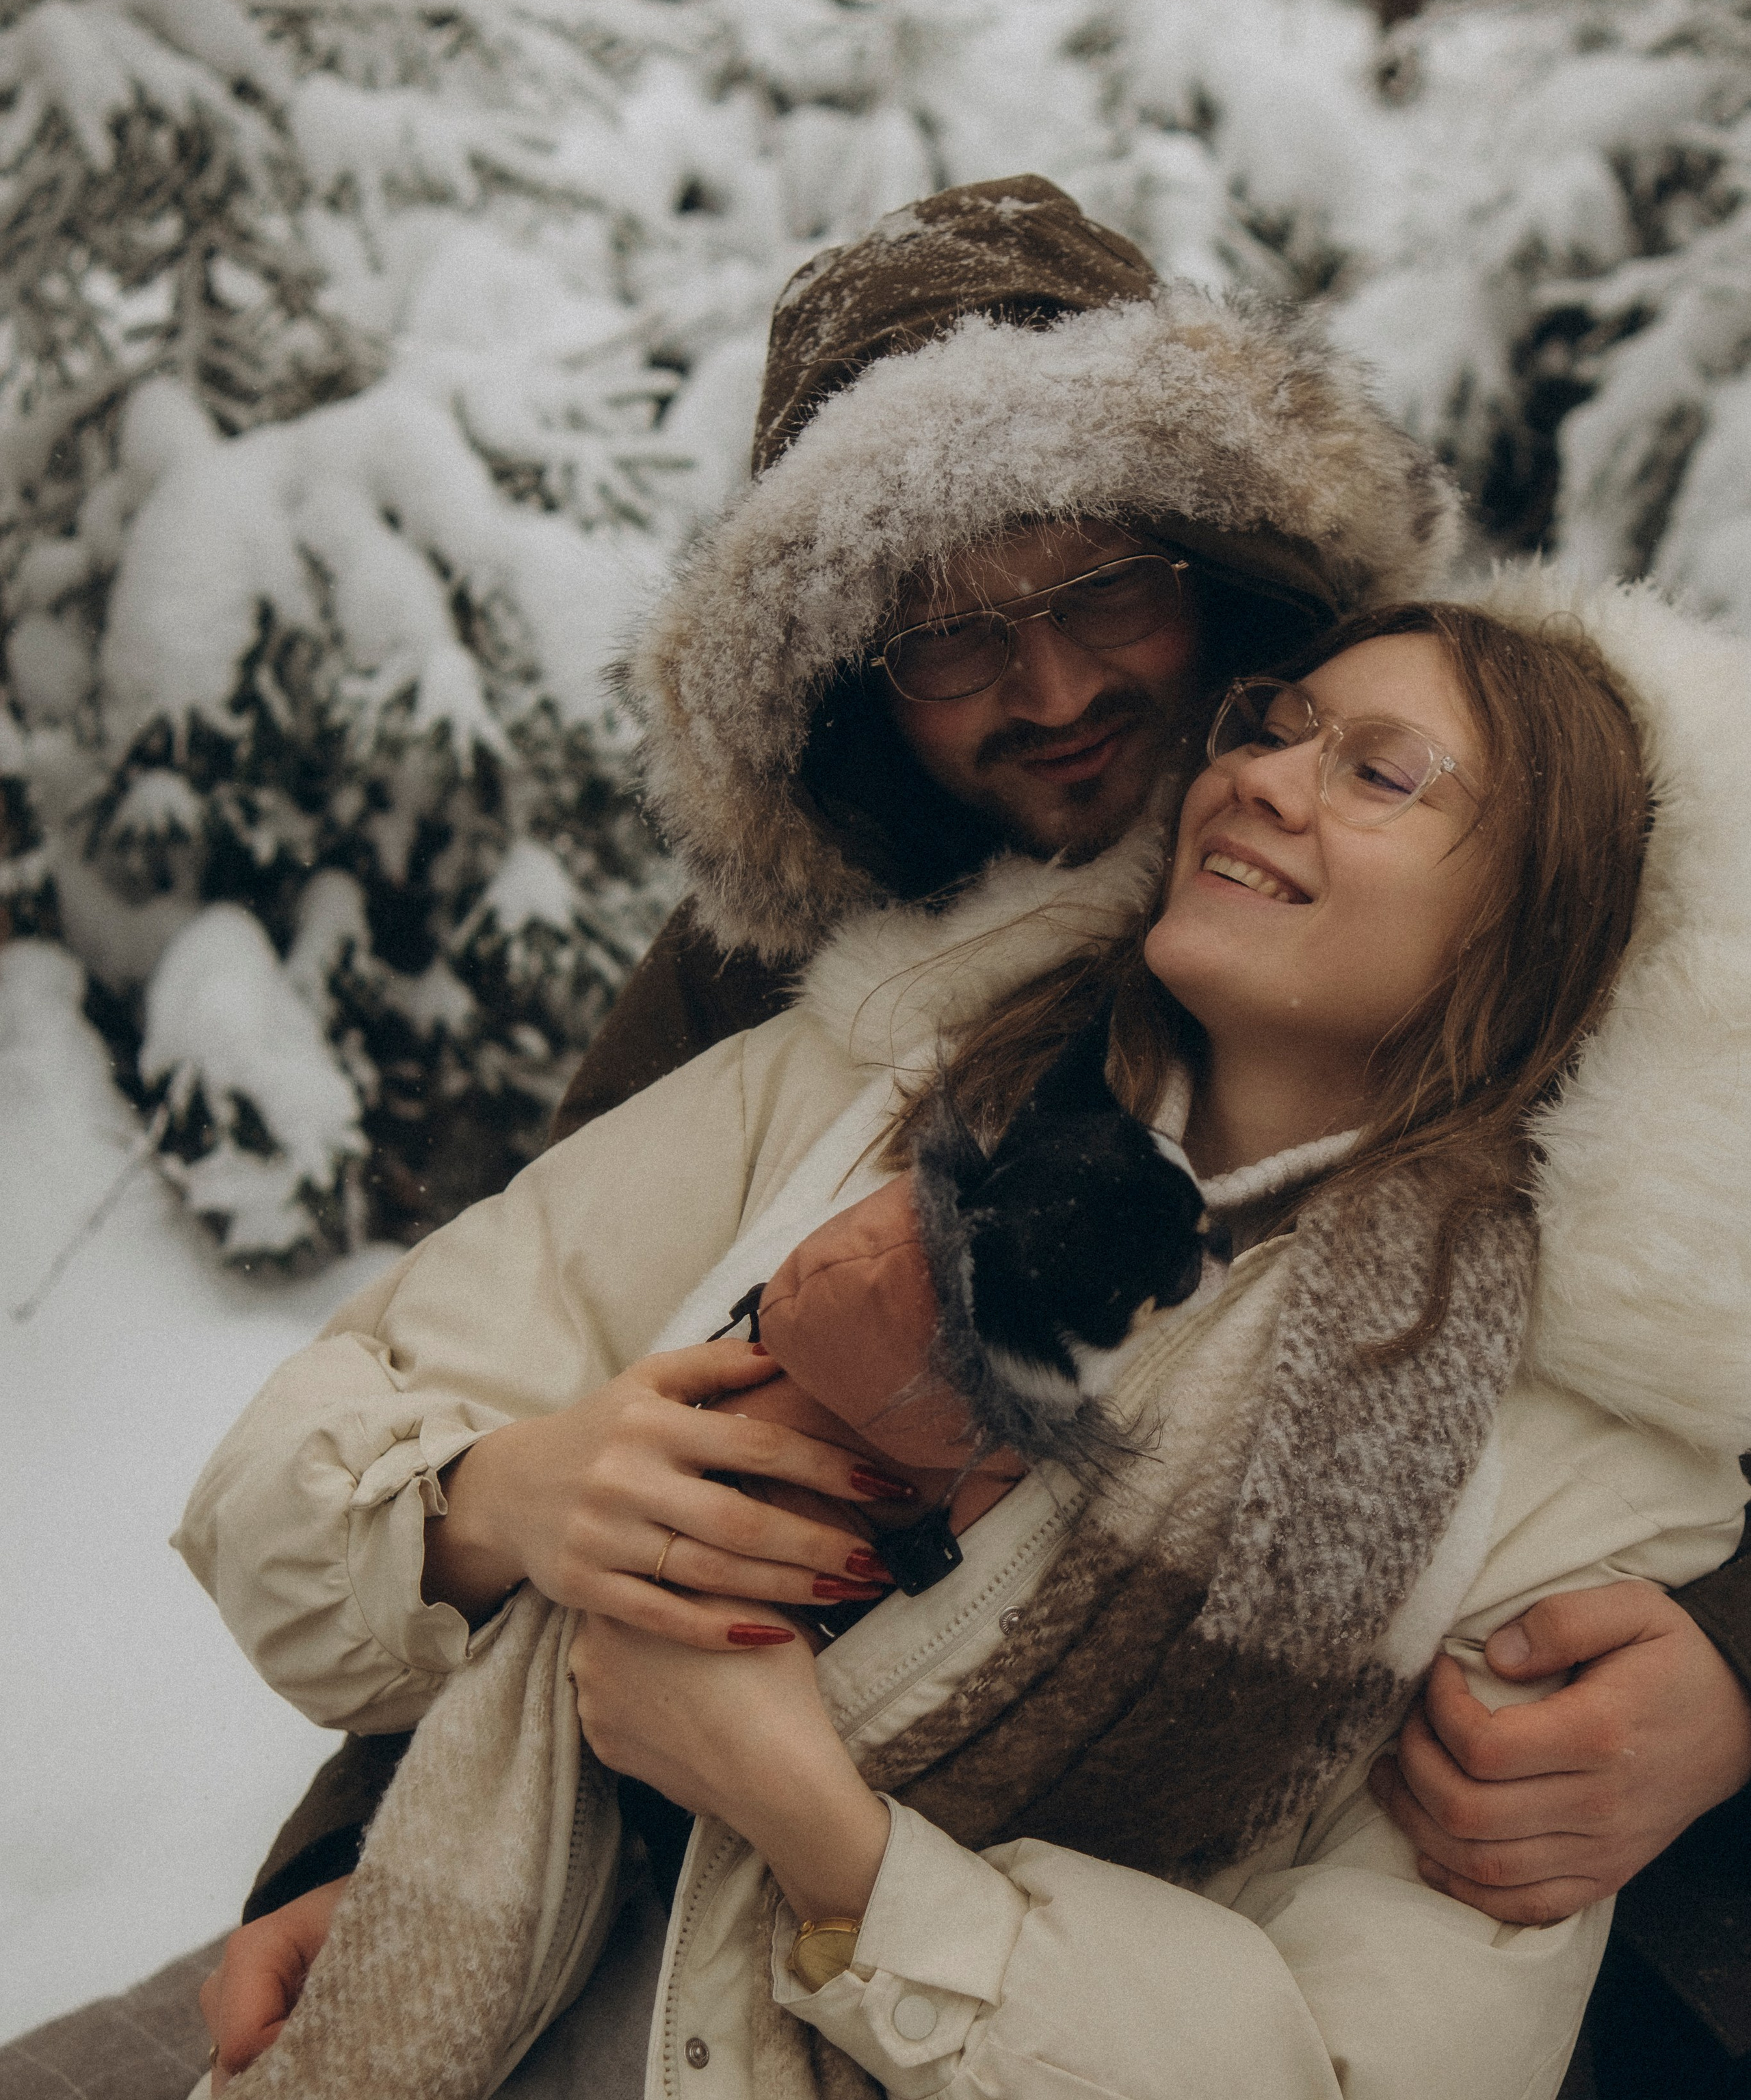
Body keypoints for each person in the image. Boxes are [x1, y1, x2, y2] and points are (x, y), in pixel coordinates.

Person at [173, 183, 1750, 2093]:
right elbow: (537, 1385)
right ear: (845, 685)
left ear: (1226, 574)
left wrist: (1737, 1658)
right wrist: (379, 1826)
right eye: (950, 639)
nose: (1063, 690)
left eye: (1111, 591)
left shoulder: (1606, 1071)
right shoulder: (809, 1018)